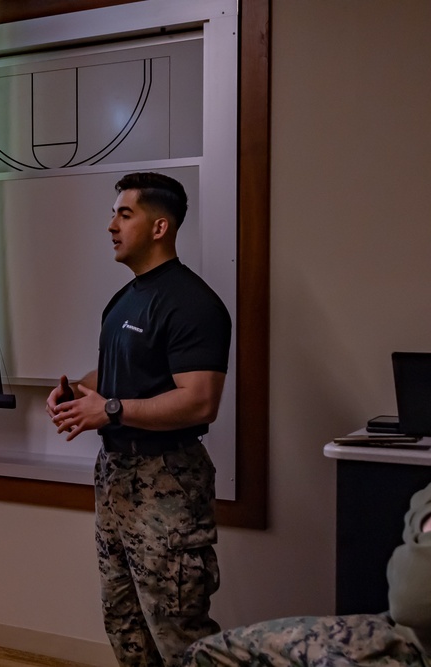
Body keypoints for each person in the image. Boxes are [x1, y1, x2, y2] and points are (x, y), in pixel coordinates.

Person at [47, 172, 232, 666]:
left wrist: (107, 410)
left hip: (166, 479)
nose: (111, 225)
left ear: (159, 227)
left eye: (124, 214)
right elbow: (116, 379)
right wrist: (77, 393)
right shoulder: (126, 299)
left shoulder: (192, 303)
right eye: (113, 213)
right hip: (115, 479)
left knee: (178, 631)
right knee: (125, 623)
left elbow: (199, 401)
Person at [182, 482, 431, 667]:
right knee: (207, 654)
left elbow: (412, 596)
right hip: (403, 632)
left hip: (414, 645)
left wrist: (420, 516)